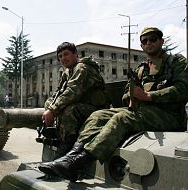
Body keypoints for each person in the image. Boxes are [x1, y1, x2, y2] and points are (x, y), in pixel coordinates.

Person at [38, 27, 188, 181]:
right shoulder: (142, 69)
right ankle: (72, 156)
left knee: (122, 118)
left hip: (170, 115)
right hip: (144, 111)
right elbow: (126, 92)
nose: (149, 43)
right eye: (145, 41)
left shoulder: (176, 62)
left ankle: (77, 162)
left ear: (161, 41)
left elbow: (184, 89)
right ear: (142, 45)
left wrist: (149, 96)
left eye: (153, 39)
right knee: (97, 116)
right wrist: (131, 97)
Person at [42, 42, 109, 159]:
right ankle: (58, 132)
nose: (63, 58)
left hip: (97, 109)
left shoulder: (82, 68)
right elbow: (59, 92)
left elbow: (72, 92)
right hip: (82, 106)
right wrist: (50, 105)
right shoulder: (68, 72)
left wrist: (52, 111)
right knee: (49, 103)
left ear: (75, 54)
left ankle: (66, 147)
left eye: (66, 54)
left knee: (69, 110)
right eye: (60, 56)